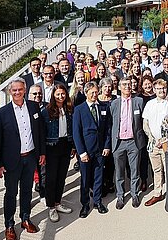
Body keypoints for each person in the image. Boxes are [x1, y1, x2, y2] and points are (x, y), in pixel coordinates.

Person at [0, 79, 46, 240]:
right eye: (14, 90)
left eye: (20, 90)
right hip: (12, 160)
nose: (17, 92)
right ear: (10, 92)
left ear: (25, 90)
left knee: (26, 190)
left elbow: (39, 131)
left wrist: (41, 152)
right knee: (11, 193)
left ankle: (25, 218)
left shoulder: (33, 106)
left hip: (30, 157)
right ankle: (9, 225)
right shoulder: (2, 113)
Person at [73, 82, 112, 217]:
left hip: (100, 150)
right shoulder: (79, 109)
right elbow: (76, 133)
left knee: (98, 177)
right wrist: (81, 152)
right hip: (86, 151)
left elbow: (107, 128)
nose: (95, 95)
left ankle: (97, 201)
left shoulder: (103, 106)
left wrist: (107, 145)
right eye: (92, 93)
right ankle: (85, 204)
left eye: (96, 92)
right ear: (86, 93)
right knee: (85, 179)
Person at [109, 78, 146, 209]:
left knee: (135, 170)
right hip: (118, 142)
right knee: (119, 172)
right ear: (119, 87)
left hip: (134, 142)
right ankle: (120, 196)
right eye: (124, 84)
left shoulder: (139, 101)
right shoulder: (114, 103)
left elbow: (142, 121)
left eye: (129, 85)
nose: (127, 87)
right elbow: (111, 123)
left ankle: (135, 194)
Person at [42, 84, 74, 222]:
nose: (61, 97)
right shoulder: (47, 111)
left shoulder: (69, 109)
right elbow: (42, 133)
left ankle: (57, 202)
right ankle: (51, 207)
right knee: (51, 178)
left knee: (61, 176)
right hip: (51, 146)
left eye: (63, 94)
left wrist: (72, 146)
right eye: (58, 94)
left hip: (65, 145)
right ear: (53, 95)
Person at [142, 79, 168, 206]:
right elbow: (145, 124)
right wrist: (153, 138)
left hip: (166, 143)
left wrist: (163, 139)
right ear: (154, 90)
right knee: (157, 169)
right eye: (159, 89)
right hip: (153, 143)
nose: (161, 91)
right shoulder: (150, 104)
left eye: (163, 88)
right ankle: (157, 193)